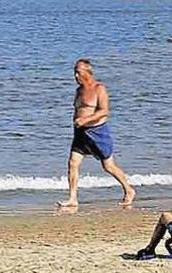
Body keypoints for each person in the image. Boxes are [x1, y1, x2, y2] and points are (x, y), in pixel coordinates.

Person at [57, 59, 135, 211]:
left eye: (78, 72)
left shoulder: (99, 88)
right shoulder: (78, 90)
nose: (75, 75)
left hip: (98, 133)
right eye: (74, 72)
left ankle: (129, 189)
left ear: (87, 72)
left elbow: (104, 111)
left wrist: (85, 119)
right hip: (80, 133)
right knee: (73, 163)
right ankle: (73, 198)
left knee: (108, 166)